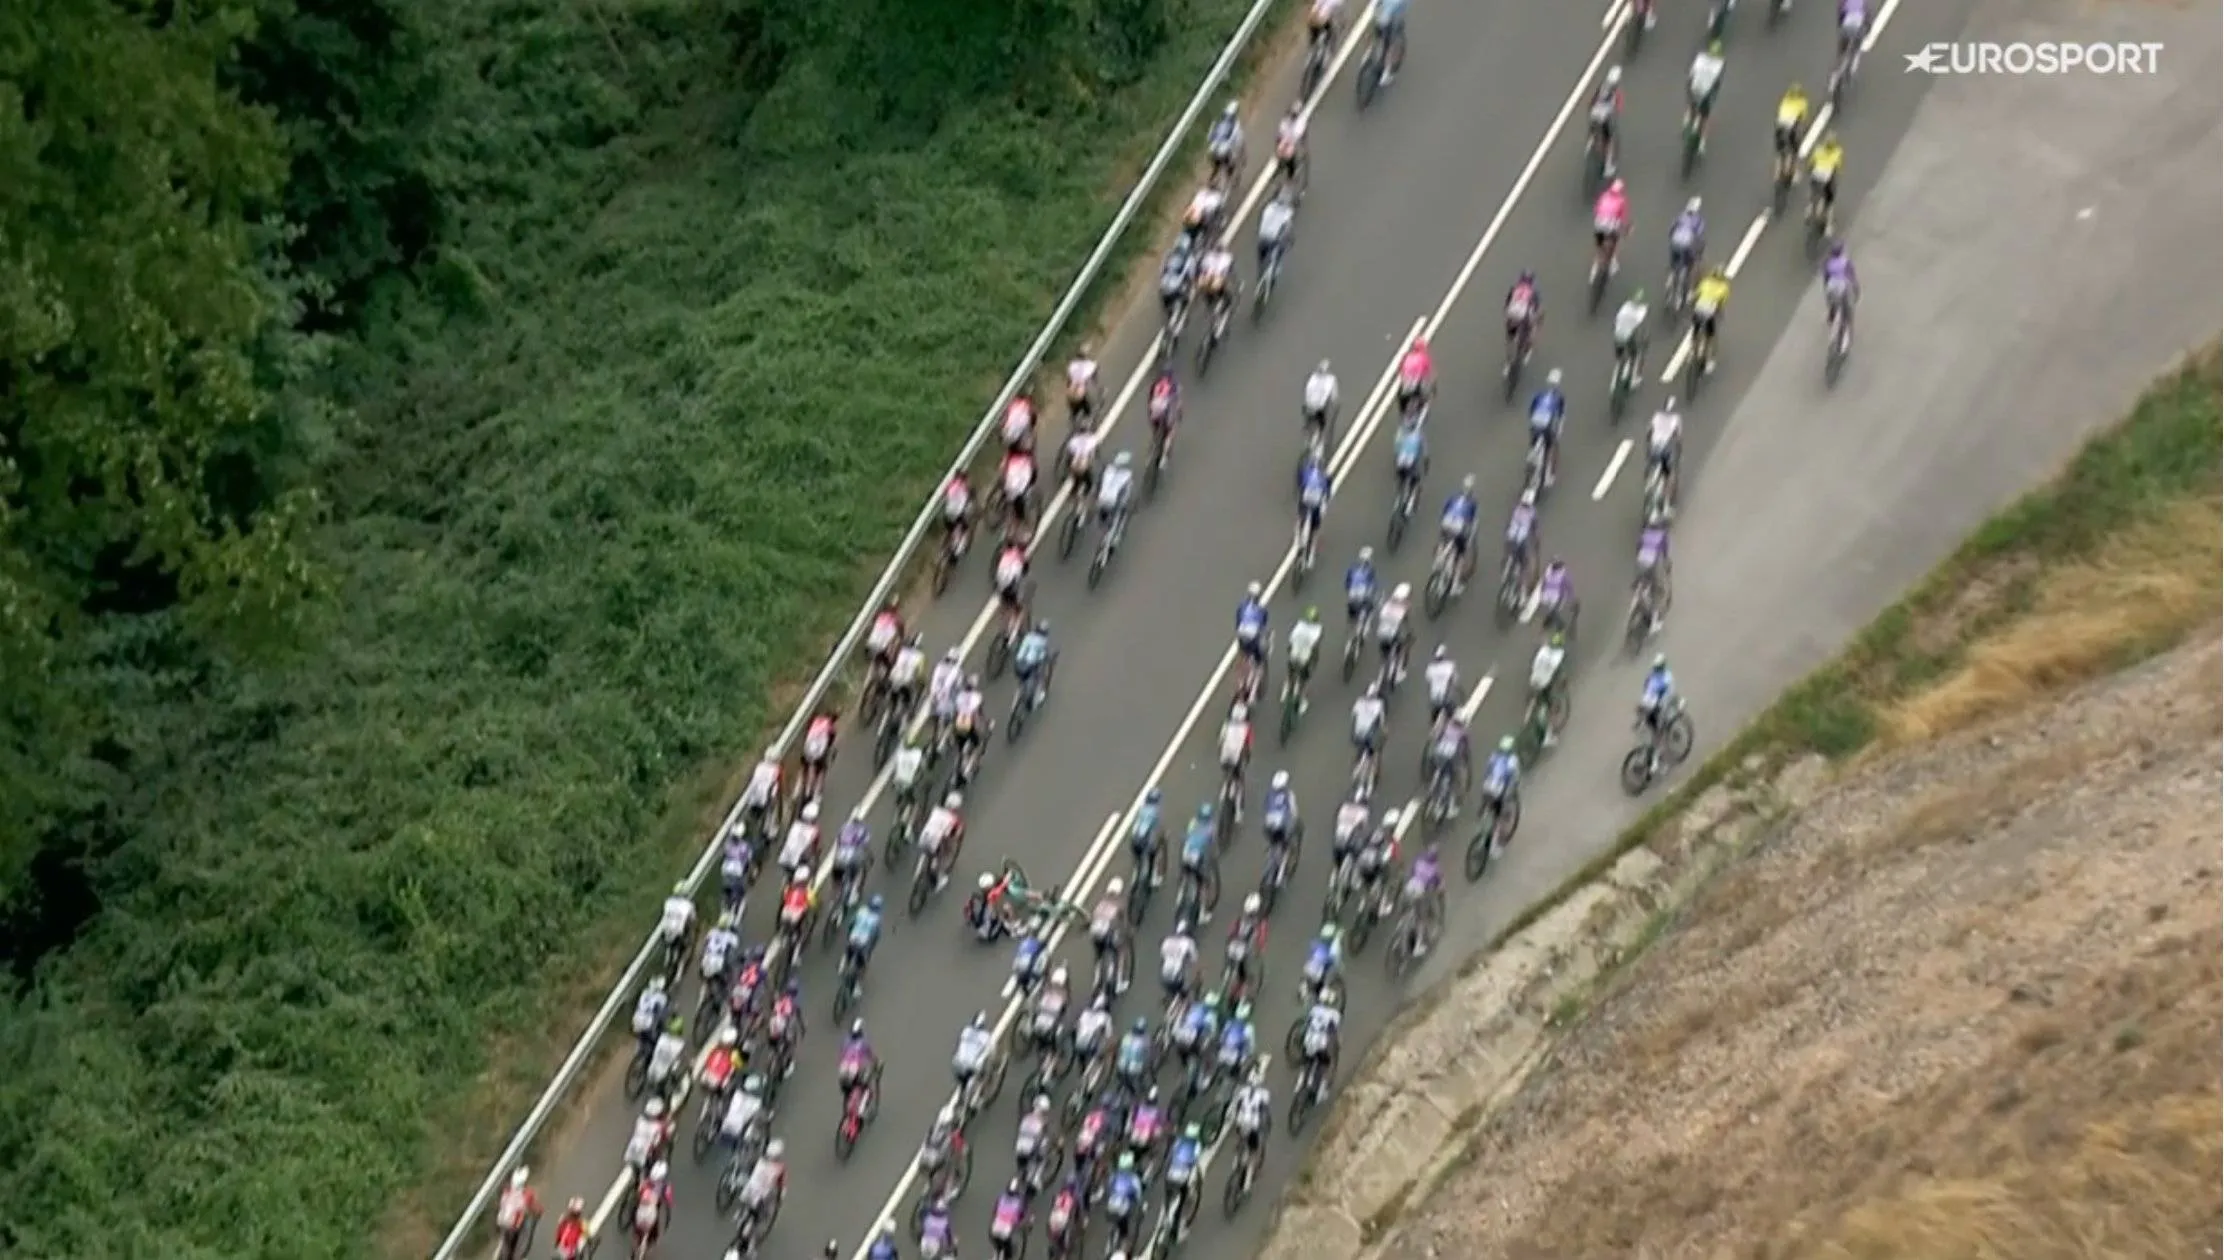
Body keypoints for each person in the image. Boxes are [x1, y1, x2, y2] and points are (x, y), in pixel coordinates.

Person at [1529, 632, 1569, 749]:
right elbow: (1559, 673)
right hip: (1544, 684)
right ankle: (1547, 737)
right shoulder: (1557, 657)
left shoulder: (1544, 650)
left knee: (1537, 700)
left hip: (1534, 679)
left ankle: (1528, 716)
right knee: (1549, 708)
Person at [919, 792, 964, 891]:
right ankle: (938, 881)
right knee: (943, 854)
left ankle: (928, 867)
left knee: (931, 852)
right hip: (933, 844)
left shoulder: (936, 810)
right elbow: (948, 837)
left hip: (923, 838)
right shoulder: (953, 819)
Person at [1480, 736, 1522, 844]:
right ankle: (1494, 843)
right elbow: (1515, 779)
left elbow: (1486, 771)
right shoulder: (1513, 761)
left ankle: (1484, 812)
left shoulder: (1493, 756)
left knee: (1488, 803)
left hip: (1487, 788)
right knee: (1499, 815)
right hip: (1498, 792)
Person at [1528, 370, 1566, 488]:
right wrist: (1559, 430)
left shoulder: (1539, 394)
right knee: (1553, 446)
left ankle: (1531, 454)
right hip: (1547, 427)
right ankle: (1549, 474)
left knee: (1533, 441)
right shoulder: (1559, 398)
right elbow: (1560, 416)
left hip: (1535, 424)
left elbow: (1531, 409)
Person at [1634, 513, 1671, 633]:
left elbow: (1638, 546)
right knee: (1658, 592)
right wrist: (1667, 566)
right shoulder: (1663, 536)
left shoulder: (1646, 533)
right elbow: (1665, 556)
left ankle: (1639, 595)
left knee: (1642, 582)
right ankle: (1653, 623)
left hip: (1640, 561)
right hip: (1651, 564)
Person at [1165, 1121, 1206, 1228]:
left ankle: (1166, 1217)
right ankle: (1178, 1222)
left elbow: (1171, 1156)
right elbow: (1195, 1162)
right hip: (1181, 1178)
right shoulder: (1196, 1145)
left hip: (1170, 1175)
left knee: (1169, 1196)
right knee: (1186, 1197)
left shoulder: (1179, 1141)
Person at [1441, 474, 1479, 587]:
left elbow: (1444, 509)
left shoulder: (1453, 496)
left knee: (1444, 540)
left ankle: (1440, 557)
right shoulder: (1472, 502)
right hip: (1458, 526)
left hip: (1446, 522)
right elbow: (1472, 522)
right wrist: (1471, 536)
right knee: (1461, 554)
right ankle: (1455, 585)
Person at [1104, 1152, 1147, 1251]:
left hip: (1110, 1208)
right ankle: (1123, 1250)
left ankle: (1110, 1241)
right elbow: (1138, 1197)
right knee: (1125, 1232)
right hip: (1122, 1210)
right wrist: (1141, 1208)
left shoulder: (1114, 1176)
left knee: (1114, 1220)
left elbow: (1108, 1189)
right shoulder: (1134, 1179)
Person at [1427, 713, 1470, 811]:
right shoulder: (1463, 733)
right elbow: (1464, 749)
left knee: (1438, 766)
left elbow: (1436, 737)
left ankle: (1434, 780)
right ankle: (1453, 803)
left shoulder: (1446, 726)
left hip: (1438, 754)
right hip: (1451, 758)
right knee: (1455, 777)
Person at [1687, 40, 1726, 149]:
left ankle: (1688, 120)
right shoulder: (1719, 64)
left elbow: (1691, 74)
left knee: (1692, 104)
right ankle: (1702, 144)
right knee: (1705, 118)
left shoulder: (1700, 58)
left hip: (1695, 89)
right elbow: (1717, 84)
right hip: (1707, 94)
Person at [1234, 580, 1270, 697]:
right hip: (1253, 638)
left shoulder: (1241, 606)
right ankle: (1253, 690)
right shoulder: (1262, 609)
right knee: (1259, 661)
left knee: (1242, 656)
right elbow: (1262, 627)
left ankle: (1240, 683)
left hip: (1241, 635)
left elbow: (1238, 622)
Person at [1402, 843, 1446, 939]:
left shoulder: (1418, 858)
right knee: (1422, 916)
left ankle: (1405, 920)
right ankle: (1419, 943)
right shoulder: (1435, 869)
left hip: (1409, 887)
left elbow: (1411, 872)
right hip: (1419, 891)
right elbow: (1438, 885)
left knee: (1410, 905)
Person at [1692, 265, 1730, 373]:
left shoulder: (1705, 282)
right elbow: (1720, 304)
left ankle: (1694, 352)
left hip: (1699, 308)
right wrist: (1720, 314)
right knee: (1710, 337)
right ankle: (1707, 360)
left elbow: (1696, 295)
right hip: (1709, 312)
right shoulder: (1724, 287)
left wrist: (1693, 303)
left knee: (1696, 332)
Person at [496, 1166, 542, 1257]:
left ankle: (504, 1253)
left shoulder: (507, 1191)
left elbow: (501, 1205)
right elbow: (535, 1208)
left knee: (505, 1243)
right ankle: (518, 1255)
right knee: (525, 1233)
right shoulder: (527, 1193)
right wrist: (540, 1211)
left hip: (503, 1222)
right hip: (515, 1225)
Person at [1647, 396, 1683, 510]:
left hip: (1654, 448)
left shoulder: (1656, 416)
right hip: (1665, 450)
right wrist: (1679, 449)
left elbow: (1649, 432)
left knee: (1652, 465)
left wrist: (1649, 443)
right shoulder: (1676, 419)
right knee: (1669, 474)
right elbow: (1678, 438)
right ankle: (1667, 502)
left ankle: (1650, 482)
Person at [1230, 1063, 1273, 1158]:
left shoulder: (1243, 1091)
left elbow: (1237, 1104)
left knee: (1240, 1131)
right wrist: (1267, 1125)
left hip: (1241, 1120)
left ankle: (1239, 1144)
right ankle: (1250, 1167)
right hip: (1253, 1123)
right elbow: (1265, 1112)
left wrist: (1236, 1117)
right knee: (1253, 1148)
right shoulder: (1264, 1094)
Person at [1588, 64, 1624, 176]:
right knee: (1609, 141)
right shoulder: (1616, 92)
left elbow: (1592, 100)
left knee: (1593, 128)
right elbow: (1618, 108)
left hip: (1594, 114)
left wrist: (1592, 108)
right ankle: (1608, 167)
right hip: (1604, 118)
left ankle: (1591, 142)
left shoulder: (1601, 87)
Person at [1822, 239, 1861, 340]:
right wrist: (1857, 291)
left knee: (1833, 305)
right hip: (1841, 288)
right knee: (1847, 308)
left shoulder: (1828, 262)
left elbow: (1826, 278)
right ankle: (1846, 325)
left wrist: (1827, 290)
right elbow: (1852, 278)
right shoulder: (1846, 262)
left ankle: (1831, 317)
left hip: (1830, 287)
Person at [1350, 680, 1387, 786]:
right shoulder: (1378, 705)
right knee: (1376, 747)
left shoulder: (1359, 702)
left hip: (1357, 733)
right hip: (1369, 735)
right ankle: (1373, 770)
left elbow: (1354, 716)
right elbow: (1381, 723)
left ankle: (1358, 764)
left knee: (1361, 745)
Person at [1296, 449, 1332, 557]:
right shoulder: (1324, 476)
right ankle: (1312, 545)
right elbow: (1327, 490)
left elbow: (1300, 483)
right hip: (1317, 501)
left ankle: (1299, 537)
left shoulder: (1306, 471)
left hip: (1306, 498)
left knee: (1301, 516)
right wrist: (1326, 499)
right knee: (1315, 525)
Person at [1287, 605, 1324, 709]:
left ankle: (1289, 688)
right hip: (1304, 659)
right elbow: (1315, 647)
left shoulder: (1299, 625)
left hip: (1294, 655)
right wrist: (1315, 660)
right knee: (1304, 679)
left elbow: (1290, 641)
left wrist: (1290, 651)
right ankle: (1301, 699)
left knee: (1291, 671)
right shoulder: (1317, 630)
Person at [845, 893, 884, 989]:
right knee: (863, 966)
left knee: (849, 952)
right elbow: (875, 937)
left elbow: (851, 923)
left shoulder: (861, 911)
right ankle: (856, 987)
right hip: (863, 945)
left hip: (852, 939)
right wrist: (870, 950)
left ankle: (844, 965)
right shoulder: (876, 920)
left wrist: (849, 934)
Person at [952, 672, 990, 771]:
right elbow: (979, 715)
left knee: (960, 748)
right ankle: (969, 766)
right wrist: (986, 723)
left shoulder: (959, 696)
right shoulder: (977, 697)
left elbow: (956, 711)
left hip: (958, 724)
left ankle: (960, 764)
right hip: (968, 726)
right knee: (977, 744)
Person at [1808, 130, 1845, 229]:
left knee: (1814, 193)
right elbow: (1837, 168)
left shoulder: (1818, 149)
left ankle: (1809, 210)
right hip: (1826, 178)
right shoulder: (1837, 152)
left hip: (1816, 175)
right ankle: (1828, 225)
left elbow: (1811, 164)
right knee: (1829, 201)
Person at [954, 1011, 996, 1098]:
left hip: (958, 1062)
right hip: (972, 1066)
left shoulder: (966, 1030)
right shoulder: (985, 1036)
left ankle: (962, 1092)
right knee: (983, 1076)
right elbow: (991, 1050)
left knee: (963, 1079)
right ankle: (976, 1098)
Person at [1219, 703, 1253, 813]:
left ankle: (1224, 789)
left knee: (1226, 773)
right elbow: (1248, 746)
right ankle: (1239, 810)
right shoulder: (1246, 728)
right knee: (1240, 781)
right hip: (1237, 759)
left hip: (1225, 756)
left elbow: (1220, 741)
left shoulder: (1226, 725)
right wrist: (1247, 757)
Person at [631, 1159, 673, 1249]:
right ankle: (651, 1240)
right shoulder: (665, 1187)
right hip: (652, 1212)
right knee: (654, 1225)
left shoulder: (646, 1182)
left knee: (635, 1215)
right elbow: (668, 1203)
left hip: (641, 1209)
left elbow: (638, 1192)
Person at [1258, 184, 1297, 280]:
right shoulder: (1288, 211)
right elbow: (1288, 228)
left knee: (1261, 254)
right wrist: (1290, 239)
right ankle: (1276, 267)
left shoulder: (1269, 207)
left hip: (1262, 236)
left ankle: (1262, 268)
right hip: (1274, 239)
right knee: (1281, 248)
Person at [656, 880, 696, 973]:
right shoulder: (689, 905)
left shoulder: (668, 902)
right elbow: (692, 920)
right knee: (688, 943)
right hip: (679, 933)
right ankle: (680, 968)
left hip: (666, 931)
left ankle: (667, 956)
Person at [1261, 774, 1299, 870]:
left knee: (1273, 840)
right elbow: (1294, 812)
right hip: (1282, 826)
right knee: (1287, 840)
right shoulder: (1288, 794)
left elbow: (1266, 808)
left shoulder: (1269, 794)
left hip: (1269, 825)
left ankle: (1271, 853)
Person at [1377, 581, 1412, 685]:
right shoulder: (1403, 608)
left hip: (1381, 633)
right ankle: (1397, 673)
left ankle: (1382, 670)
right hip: (1393, 635)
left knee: (1384, 654)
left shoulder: (1386, 604)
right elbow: (1405, 623)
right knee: (1402, 648)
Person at [1638, 653, 1679, 743]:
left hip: (1661, 701)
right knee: (1650, 713)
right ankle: (1659, 729)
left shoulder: (1666, 677)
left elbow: (1666, 691)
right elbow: (1647, 684)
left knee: (1654, 716)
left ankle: (1659, 732)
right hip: (1656, 699)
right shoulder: (1656, 674)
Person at [1592, 178, 1629, 276]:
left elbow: (1596, 210)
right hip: (1610, 225)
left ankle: (1595, 265)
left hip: (1599, 223)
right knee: (1616, 240)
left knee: (1599, 245)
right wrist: (1625, 229)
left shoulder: (1604, 196)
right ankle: (1612, 262)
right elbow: (1622, 218)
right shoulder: (1621, 201)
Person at [1299, 991, 1342, 1075]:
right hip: (1319, 1043)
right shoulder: (1333, 1015)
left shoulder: (1314, 1009)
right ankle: (1318, 1078)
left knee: (1308, 1054)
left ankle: (1307, 1063)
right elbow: (1333, 1032)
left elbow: (1307, 1022)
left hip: (1308, 1039)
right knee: (1324, 1060)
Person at [1504, 269, 1542, 365]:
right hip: (1524, 316)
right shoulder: (1533, 292)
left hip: (1512, 313)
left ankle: (1510, 343)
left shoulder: (1514, 288)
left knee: (1510, 327)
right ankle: (1528, 344)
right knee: (1534, 324)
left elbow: (1507, 302)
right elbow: (1536, 307)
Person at [1775, 82, 1811, 180]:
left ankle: (1777, 174)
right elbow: (1802, 120)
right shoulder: (1802, 102)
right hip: (1791, 126)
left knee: (1780, 151)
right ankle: (1792, 173)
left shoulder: (1785, 100)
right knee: (1794, 150)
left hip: (1780, 125)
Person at [887, 632, 927, 720]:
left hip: (893, 677)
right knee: (909, 696)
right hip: (905, 682)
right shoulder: (920, 656)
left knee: (893, 692)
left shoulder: (901, 650)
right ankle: (911, 710)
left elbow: (893, 661)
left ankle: (892, 704)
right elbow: (919, 674)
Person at [1505, 487, 1539, 590]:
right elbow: (1534, 530)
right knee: (1524, 564)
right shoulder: (1532, 512)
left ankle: (1507, 566)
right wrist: (1536, 541)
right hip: (1520, 541)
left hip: (1510, 538)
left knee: (1509, 551)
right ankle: (1522, 592)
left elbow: (1509, 523)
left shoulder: (1516, 508)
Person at [1014, 618, 1054, 706]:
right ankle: (1033, 698)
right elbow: (1044, 656)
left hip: (1018, 662)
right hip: (1028, 666)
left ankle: (1021, 691)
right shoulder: (1043, 642)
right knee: (1038, 675)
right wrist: (1049, 658)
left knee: (1023, 677)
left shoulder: (1028, 636)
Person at [1612, 288, 1649, 381]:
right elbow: (1639, 321)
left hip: (1617, 336)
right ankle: (1635, 377)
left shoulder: (1625, 306)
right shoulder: (1640, 311)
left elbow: (1617, 318)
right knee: (1635, 354)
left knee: (1619, 355)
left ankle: (1620, 362)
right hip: (1627, 337)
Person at [1301, 923, 1343, 1005]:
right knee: (1324, 982)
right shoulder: (1332, 950)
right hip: (1319, 973)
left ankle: (1304, 990)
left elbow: (1310, 953)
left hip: (1308, 968)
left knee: (1310, 979)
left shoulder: (1315, 943)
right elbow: (1335, 962)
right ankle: (1325, 997)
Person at [1302, 359, 1340, 450]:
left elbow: (1307, 391)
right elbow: (1334, 397)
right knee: (1323, 425)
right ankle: (1320, 447)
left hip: (1309, 407)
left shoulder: (1312, 377)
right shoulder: (1331, 380)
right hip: (1319, 408)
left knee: (1309, 422)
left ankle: (1308, 439)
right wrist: (1336, 404)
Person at [1097, 449, 1135, 539]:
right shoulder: (1127, 475)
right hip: (1113, 502)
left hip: (1102, 499)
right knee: (1121, 513)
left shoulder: (1108, 469)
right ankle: (1115, 536)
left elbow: (1100, 484)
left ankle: (1104, 532)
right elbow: (1126, 494)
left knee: (1103, 518)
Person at [1161, 915, 1201, 1000]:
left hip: (1164, 977)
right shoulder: (1189, 942)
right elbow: (1195, 961)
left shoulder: (1167, 941)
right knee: (1189, 987)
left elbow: (1164, 956)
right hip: (1177, 979)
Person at [780, 798, 821, 878]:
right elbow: (815, 849)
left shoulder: (795, 825)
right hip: (798, 861)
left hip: (785, 857)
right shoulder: (814, 831)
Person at [632, 974, 671, 1059]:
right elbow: (661, 1015)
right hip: (647, 1024)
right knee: (659, 1041)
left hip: (636, 1021)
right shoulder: (661, 997)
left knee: (643, 1037)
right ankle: (649, 1063)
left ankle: (640, 1051)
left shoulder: (645, 992)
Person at [1206, 100, 1244, 185]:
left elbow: (1210, 136)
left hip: (1213, 149)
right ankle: (1229, 181)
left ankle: (1211, 181)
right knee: (1230, 164)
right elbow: (1236, 138)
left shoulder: (1218, 122)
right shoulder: (1235, 124)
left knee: (1216, 166)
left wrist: (1213, 141)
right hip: (1223, 150)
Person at [1537, 556, 1578, 636]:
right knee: (1553, 611)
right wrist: (1571, 597)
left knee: (1552, 610)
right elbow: (1568, 586)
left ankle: (1552, 623)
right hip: (1553, 598)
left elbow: (1544, 583)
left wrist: (1542, 592)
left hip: (1547, 597)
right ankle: (1559, 625)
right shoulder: (1561, 575)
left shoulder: (1549, 572)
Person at [997, 447, 1037, 530]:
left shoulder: (1009, 457)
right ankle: (1023, 521)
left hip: (1012, 486)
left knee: (1013, 497)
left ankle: (1018, 519)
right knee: (1018, 500)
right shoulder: (1026, 456)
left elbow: (1002, 470)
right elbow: (1033, 471)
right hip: (1017, 487)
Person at [1158, 243, 1195, 331]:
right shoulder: (1188, 260)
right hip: (1175, 288)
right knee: (1186, 300)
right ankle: (1182, 318)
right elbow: (1191, 277)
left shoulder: (1168, 257)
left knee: (1167, 306)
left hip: (1164, 288)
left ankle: (1169, 316)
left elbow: (1161, 271)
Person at [1424, 645, 1461, 732]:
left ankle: (1433, 727)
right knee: (1452, 713)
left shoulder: (1430, 668)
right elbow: (1455, 680)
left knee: (1434, 713)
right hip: (1446, 697)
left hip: (1434, 697)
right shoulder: (1450, 666)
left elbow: (1429, 681)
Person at [1198, 241, 1237, 322]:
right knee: (1226, 296)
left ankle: (1210, 306)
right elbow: (1229, 270)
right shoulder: (1227, 257)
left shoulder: (1208, 256)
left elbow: (1202, 268)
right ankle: (1223, 308)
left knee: (1208, 293)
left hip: (1207, 281)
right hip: (1217, 280)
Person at [1395, 335, 1433, 419]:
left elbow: (1401, 370)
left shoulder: (1407, 357)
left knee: (1401, 396)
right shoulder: (1424, 358)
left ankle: (1403, 411)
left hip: (1406, 384)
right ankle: (1421, 409)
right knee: (1425, 395)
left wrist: (1403, 378)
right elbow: (1428, 373)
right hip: (1417, 384)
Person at [1273, 101, 1307, 193]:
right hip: (1286, 137)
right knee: (1278, 149)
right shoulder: (1287, 119)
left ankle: (1291, 174)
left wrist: (1288, 142)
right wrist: (1281, 139)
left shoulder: (1300, 123)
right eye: (1292, 114)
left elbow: (1296, 136)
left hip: (1294, 139)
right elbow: (1282, 128)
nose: (1292, 116)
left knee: (1289, 155)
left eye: (1294, 115)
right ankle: (1280, 163)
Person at [938, 472, 975, 558]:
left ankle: (943, 550)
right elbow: (969, 498)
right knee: (965, 528)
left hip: (947, 513)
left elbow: (943, 494)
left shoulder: (950, 485)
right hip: (957, 514)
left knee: (951, 529)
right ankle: (957, 549)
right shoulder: (964, 487)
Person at [1063, 421, 1101, 505]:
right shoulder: (1092, 439)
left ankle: (1073, 493)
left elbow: (1069, 455)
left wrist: (1069, 466)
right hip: (1083, 466)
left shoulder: (1073, 440)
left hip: (1074, 466)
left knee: (1076, 481)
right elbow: (1094, 454)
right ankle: (1084, 497)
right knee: (1089, 483)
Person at [840, 1019, 879, 1098]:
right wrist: (876, 1061)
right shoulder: (863, 1043)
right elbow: (870, 1055)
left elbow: (842, 1054)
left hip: (843, 1070)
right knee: (867, 1074)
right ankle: (865, 1096)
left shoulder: (846, 1040)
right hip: (854, 1070)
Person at [1374, 0, 1410, 83]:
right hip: (1392, 16)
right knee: (1395, 40)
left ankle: (1369, 54)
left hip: (1380, 14)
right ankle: (1387, 71)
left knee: (1377, 33)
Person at [1345, 546, 1379, 631]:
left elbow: (1347, 582)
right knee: (1370, 607)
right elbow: (1372, 584)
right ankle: (1365, 630)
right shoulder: (1370, 569)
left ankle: (1351, 629)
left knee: (1352, 613)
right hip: (1363, 594)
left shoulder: (1352, 568)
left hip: (1352, 594)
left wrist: (1349, 589)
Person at [1065, 343, 1100, 425]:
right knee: (1088, 405)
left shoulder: (1072, 365)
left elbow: (1069, 380)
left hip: (1070, 393)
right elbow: (1094, 376)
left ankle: (1073, 416)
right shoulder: (1090, 365)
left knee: (1074, 406)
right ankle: (1089, 418)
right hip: (1080, 393)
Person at [1000, 389, 1038, 454]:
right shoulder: (1026, 409)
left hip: (1007, 435)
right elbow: (1033, 418)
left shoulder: (1012, 404)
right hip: (1015, 436)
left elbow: (1003, 420)